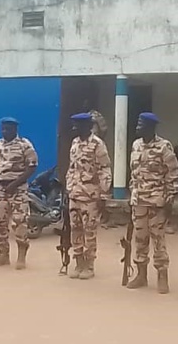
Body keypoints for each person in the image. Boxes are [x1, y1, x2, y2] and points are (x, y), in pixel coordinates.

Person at [126, 112, 178, 294]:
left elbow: (172, 174)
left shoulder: (164, 147)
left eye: (141, 124)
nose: (137, 127)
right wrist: (132, 194)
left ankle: (162, 276)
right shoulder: (136, 145)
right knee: (140, 239)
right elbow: (134, 174)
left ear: (150, 127)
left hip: (157, 201)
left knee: (158, 239)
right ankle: (141, 275)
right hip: (139, 201)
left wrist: (170, 199)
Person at [65, 113, 112, 279]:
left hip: (91, 196)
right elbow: (72, 168)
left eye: (77, 125)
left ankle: (89, 266)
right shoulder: (75, 143)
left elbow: (104, 169)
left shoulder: (97, 144)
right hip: (75, 195)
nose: (74, 128)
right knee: (75, 230)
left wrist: (103, 195)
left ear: (87, 126)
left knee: (89, 231)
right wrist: (69, 189)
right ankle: (78, 263)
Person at [0, 117, 38, 270]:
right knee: (0, 222)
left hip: (18, 189)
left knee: (19, 222)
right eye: (3, 129)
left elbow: (32, 167)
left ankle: (21, 256)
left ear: (15, 129)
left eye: (8, 129)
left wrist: (15, 184)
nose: (5, 132)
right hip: (0, 188)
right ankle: (3, 254)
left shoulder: (25, 145)